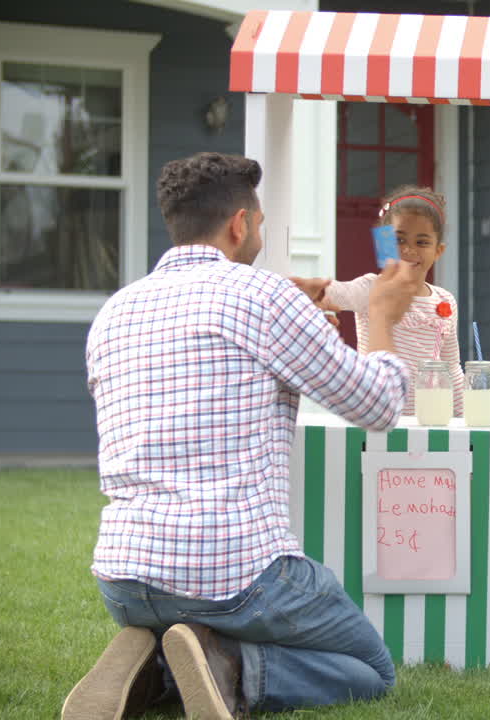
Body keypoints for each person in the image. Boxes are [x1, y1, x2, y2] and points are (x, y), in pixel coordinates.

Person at [65, 152, 424, 720]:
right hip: (233, 573)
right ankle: (224, 665)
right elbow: (378, 405)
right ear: (239, 224)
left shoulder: (115, 311)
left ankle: (154, 662)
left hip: (126, 576)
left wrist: (298, 331)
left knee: (177, 606)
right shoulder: (262, 295)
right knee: (370, 671)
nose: (258, 230)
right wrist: (381, 314)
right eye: (258, 221)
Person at [291, 186, 465, 418]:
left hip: (429, 421)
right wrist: (310, 288)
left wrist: (463, 418)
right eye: (399, 239)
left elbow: (451, 367)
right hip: (376, 418)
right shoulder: (371, 288)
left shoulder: (445, 300)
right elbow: (337, 292)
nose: (408, 249)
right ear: (383, 244)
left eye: (422, 242)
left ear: (438, 251)